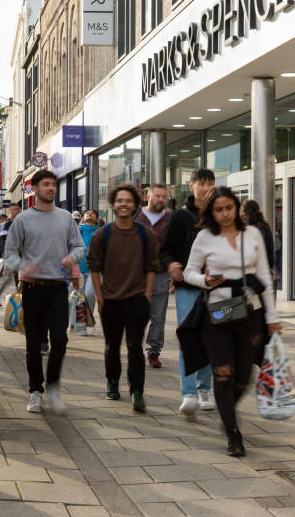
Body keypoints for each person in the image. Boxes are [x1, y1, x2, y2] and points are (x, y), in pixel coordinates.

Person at [182, 187, 280, 456]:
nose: (225, 213)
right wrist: (204, 280)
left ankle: (227, 411)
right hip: (219, 311)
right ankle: (233, 433)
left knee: (244, 375)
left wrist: (272, 317)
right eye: (219, 209)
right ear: (211, 212)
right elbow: (188, 271)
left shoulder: (253, 234)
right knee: (223, 372)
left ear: (236, 208)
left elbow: (264, 279)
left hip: (251, 312)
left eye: (229, 208)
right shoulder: (204, 237)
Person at [4, 170, 85, 415]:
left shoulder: (65, 219)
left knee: (60, 340)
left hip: (58, 288)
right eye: (46, 185)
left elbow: (80, 246)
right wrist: (22, 266)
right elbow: (9, 254)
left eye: (53, 185)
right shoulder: (23, 220)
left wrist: (71, 258)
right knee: (33, 343)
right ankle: (35, 391)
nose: (51, 188)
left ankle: (52, 387)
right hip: (32, 288)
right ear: (35, 189)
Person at [87, 184, 162, 412]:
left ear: (135, 204)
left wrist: (147, 295)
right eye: (119, 200)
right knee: (112, 346)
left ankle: (137, 391)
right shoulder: (103, 234)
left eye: (128, 201)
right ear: (113, 203)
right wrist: (99, 298)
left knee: (135, 347)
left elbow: (152, 267)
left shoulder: (144, 233)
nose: (123, 204)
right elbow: (93, 267)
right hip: (110, 301)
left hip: (137, 300)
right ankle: (112, 381)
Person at [159, 168, 216, 416]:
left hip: (217, 290)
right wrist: (171, 265)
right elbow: (165, 250)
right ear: (191, 186)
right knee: (188, 338)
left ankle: (205, 388)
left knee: (212, 340)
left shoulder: (220, 214)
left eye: (210, 183)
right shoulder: (180, 217)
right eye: (201, 184)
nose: (206, 188)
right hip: (187, 288)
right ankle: (189, 393)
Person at [135, 183, 172, 369]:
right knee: (138, 315)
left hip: (160, 274)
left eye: (164, 197)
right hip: (136, 276)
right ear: (148, 196)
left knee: (158, 316)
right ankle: (134, 347)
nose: (161, 200)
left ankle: (153, 351)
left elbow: (174, 247)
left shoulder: (169, 219)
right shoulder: (136, 216)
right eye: (157, 196)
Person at [241, 200, 274, 278]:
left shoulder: (255, 228)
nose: (243, 215)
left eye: (244, 213)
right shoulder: (264, 224)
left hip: (257, 269)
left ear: (247, 212)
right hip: (265, 266)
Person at [78, 210, 100, 314]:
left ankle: (89, 318)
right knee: (79, 297)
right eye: (87, 213)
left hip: (94, 271)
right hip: (78, 270)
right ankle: (80, 324)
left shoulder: (100, 231)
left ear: (97, 219)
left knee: (90, 294)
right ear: (83, 217)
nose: (89, 214)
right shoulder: (77, 230)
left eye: (92, 213)